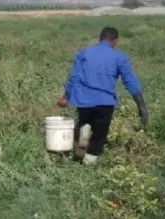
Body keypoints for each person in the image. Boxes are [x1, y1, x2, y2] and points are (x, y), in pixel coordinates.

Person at [58, 27, 149, 165]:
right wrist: (142, 107)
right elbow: (131, 82)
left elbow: (74, 78)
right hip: (105, 102)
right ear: (115, 42)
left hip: (84, 99)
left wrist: (66, 96)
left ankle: (85, 128)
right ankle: (88, 163)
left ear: (99, 39)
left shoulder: (84, 53)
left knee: (85, 119)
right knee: (100, 136)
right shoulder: (120, 58)